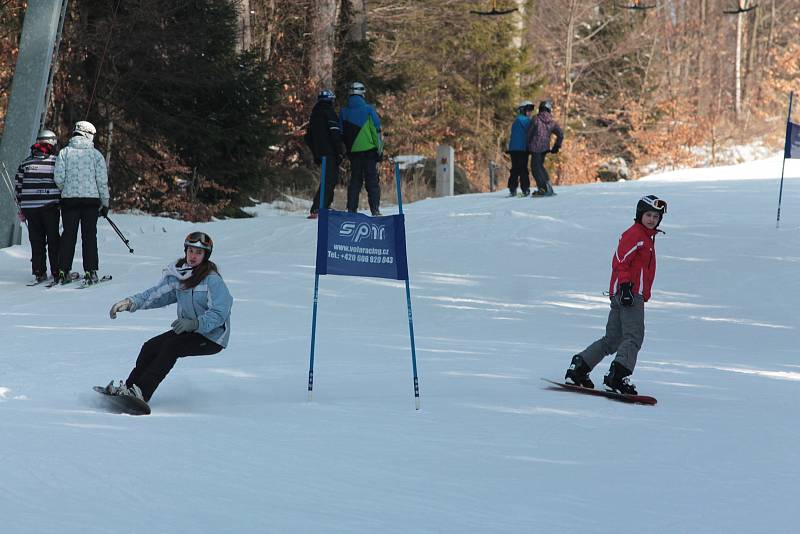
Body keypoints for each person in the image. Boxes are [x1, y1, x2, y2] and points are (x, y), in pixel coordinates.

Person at [106, 232, 233, 403]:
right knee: (150, 347)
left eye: (199, 252)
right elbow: (156, 295)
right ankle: (129, 389)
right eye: (191, 251)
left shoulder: (212, 280)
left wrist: (196, 323)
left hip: (212, 336)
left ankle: (142, 393)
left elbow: (220, 312)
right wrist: (130, 303)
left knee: (171, 347)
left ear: (205, 255)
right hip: (189, 330)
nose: (193, 256)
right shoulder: (180, 276)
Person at [564, 195, 667, 395]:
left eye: (656, 216)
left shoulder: (645, 237)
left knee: (613, 339)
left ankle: (580, 368)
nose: (652, 219)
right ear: (639, 214)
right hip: (629, 294)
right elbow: (620, 260)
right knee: (633, 336)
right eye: (648, 215)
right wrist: (627, 287)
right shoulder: (635, 234)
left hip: (624, 293)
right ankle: (618, 377)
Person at [53, 120, 109, 285]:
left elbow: (58, 178)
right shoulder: (96, 155)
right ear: (88, 134)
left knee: (68, 235)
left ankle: (63, 270)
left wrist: (66, 189)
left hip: (69, 201)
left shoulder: (64, 153)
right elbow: (102, 182)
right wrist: (105, 203)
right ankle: (90, 271)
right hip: (91, 202)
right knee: (89, 236)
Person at [14, 129, 61, 283]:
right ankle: (57, 271)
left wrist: (21, 206)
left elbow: (18, 186)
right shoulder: (56, 161)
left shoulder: (25, 162)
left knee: (36, 240)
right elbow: (62, 183)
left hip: (29, 208)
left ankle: (39, 272)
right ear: (52, 142)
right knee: (53, 239)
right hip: (50, 206)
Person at [340, 81, 384, 216]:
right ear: (362, 94)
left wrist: (346, 150)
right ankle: (375, 210)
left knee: (355, 181)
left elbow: (341, 133)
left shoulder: (344, 111)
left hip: (353, 153)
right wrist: (380, 150)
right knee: (372, 182)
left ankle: (351, 210)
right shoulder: (369, 109)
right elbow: (376, 131)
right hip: (369, 151)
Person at [305, 89, 346, 219]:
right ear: (330, 100)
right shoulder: (329, 113)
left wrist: (316, 153)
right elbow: (335, 135)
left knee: (328, 179)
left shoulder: (314, 115)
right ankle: (318, 208)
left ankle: (324, 206)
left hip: (320, 152)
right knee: (329, 180)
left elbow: (308, 137)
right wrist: (340, 152)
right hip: (330, 153)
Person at [527, 100, 563, 197]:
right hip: (544, 148)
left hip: (535, 148)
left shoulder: (536, 119)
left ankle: (543, 189)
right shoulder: (552, 122)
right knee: (540, 167)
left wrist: (526, 145)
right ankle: (548, 187)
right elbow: (560, 134)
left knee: (535, 168)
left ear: (540, 108)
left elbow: (529, 133)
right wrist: (556, 146)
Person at [507, 101, 534, 197]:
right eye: (528, 110)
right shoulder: (525, 120)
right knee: (523, 169)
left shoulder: (516, 120)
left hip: (513, 149)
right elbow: (533, 129)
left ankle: (512, 188)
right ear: (523, 110)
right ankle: (525, 188)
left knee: (515, 168)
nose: (530, 113)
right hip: (522, 149)